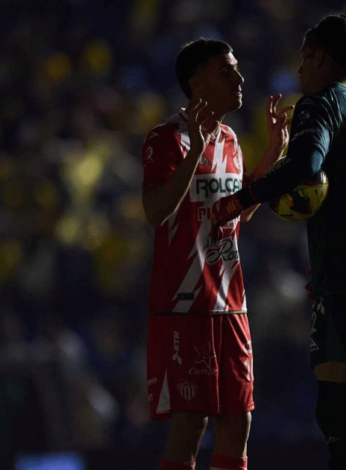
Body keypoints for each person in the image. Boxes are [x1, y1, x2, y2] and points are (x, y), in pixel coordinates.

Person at [209, 14, 346, 470]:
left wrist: (240, 199)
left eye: (304, 57)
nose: (299, 68)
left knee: (336, 408)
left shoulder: (318, 104)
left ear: (321, 57)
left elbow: (305, 164)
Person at [141, 38, 291, 470]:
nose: (239, 78)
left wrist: (271, 160)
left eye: (237, 69)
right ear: (196, 81)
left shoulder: (229, 140)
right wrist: (193, 149)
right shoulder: (166, 139)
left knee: (238, 422)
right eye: (226, 70)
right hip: (184, 306)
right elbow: (155, 211)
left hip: (230, 303)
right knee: (190, 425)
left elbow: (232, 217)